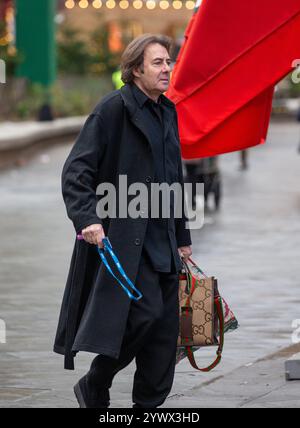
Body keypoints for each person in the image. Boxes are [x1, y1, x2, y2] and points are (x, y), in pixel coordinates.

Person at [53, 34, 192, 409]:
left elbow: (172, 177)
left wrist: (182, 234)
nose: (167, 69)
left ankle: (147, 408)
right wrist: (88, 219)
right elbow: (75, 172)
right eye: (158, 63)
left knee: (165, 334)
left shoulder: (167, 110)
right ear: (135, 70)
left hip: (163, 240)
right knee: (142, 317)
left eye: (168, 62)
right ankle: (96, 381)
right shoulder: (112, 109)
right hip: (125, 240)